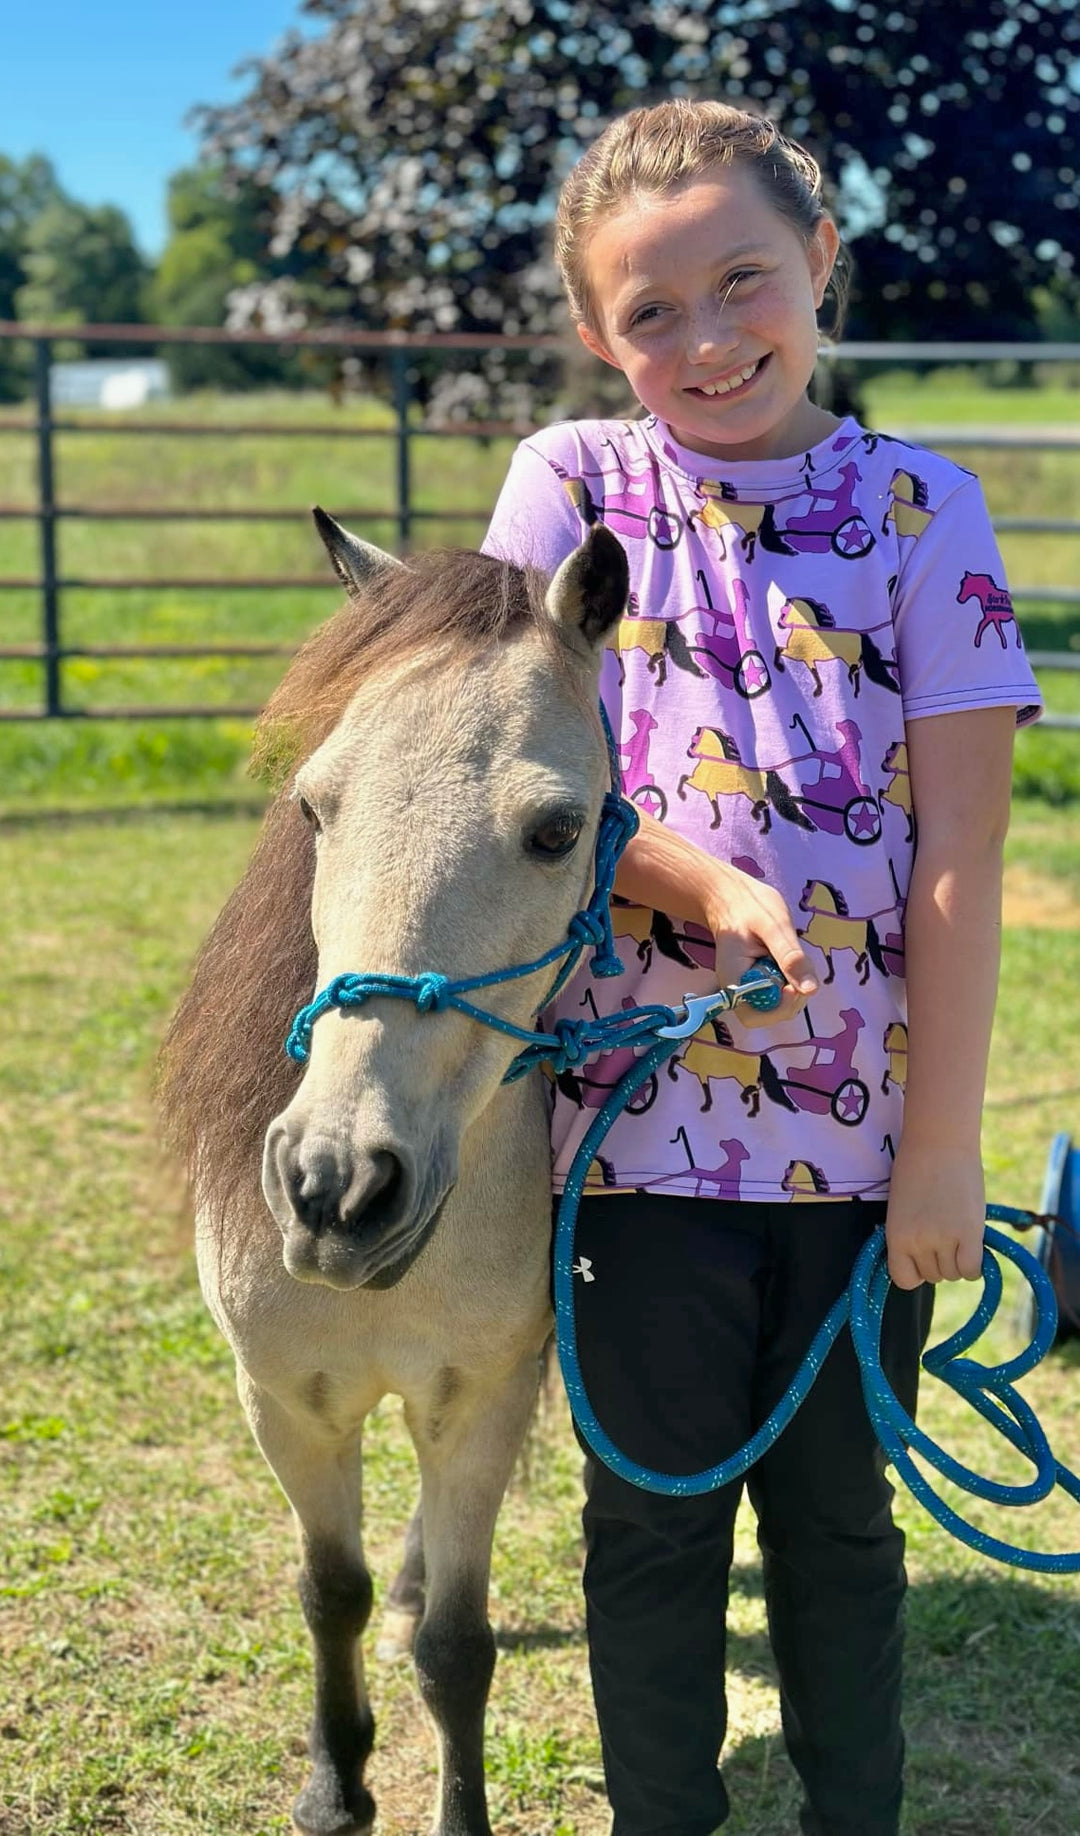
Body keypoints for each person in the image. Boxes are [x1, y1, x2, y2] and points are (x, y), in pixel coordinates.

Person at [482, 99, 1042, 1836]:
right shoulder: (572, 485)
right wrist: (690, 875)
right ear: (596, 333)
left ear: (822, 267)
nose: (707, 339)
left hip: (863, 1149)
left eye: (745, 283)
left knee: (840, 1523)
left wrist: (938, 1151)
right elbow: (504, 770)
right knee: (648, 1522)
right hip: (624, 1134)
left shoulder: (922, 508)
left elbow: (960, 853)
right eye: (650, 312)